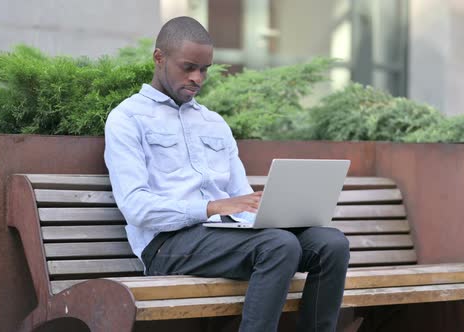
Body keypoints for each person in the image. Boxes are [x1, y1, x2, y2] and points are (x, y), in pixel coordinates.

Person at [104, 16, 349, 332]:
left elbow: (240, 196)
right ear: (159, 58)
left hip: (227, 235)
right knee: (278, 245)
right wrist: (210, 208)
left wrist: (271, 211)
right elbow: (137, 207)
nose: (197, 78)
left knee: (330, 243)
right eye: (188, 67)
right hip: (166, 245)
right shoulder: (127, 119)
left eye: (204, 69)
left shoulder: (214, 123)